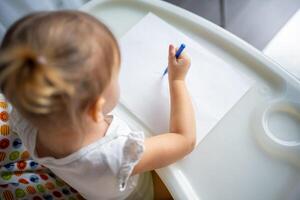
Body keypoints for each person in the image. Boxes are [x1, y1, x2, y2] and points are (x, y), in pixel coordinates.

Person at [0, 11, 196, 199]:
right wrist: (177, 81)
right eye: (115, 75)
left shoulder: (23, 117)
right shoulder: (115, 154)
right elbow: (184, 140)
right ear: (95, 109)